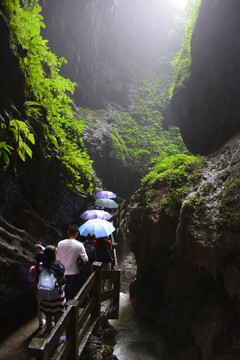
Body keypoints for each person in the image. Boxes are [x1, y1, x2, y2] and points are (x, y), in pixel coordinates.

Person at [39, 245, 66, 335]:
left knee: (48, 315)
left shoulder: (41, 265)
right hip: (57, 295)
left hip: (45, 294)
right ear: (55, 254)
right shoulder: (59, 266)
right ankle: (57, 336)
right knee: (58, 315)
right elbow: (63, 281)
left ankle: (49, 333)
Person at [56, 224, 88, 300]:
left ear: (67, 232)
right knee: (73, 293)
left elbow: (57, 259)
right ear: (77, 233)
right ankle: (71, 309)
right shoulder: (79, 245)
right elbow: (85, 260)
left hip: (62, 273)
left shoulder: (60, 243)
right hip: (74, 273)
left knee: (63, 293)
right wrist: (79, 263)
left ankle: (64, 309)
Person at [28, 251, 45, 329]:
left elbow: (31, 280)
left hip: (38, 289)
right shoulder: (47, 267)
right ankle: (50, 321)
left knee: (39, 306)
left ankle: (41, 323)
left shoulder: (32, 268)